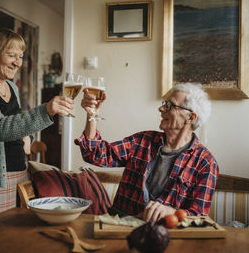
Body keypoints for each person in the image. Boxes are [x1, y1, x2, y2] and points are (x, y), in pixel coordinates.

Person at [0, 28, 74, 225]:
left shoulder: (11, 86)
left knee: (14, 242)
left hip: (20, 176)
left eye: (20, 56)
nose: (18, 62)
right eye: (11, 55)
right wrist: (46, 110)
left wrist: (27, 137)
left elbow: (15, 124)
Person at [75, 83, 218, 222]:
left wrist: (172, 212)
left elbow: (199, 216)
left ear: (190, 117)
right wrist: (92, 116)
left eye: (169, 105)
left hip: (165, 233)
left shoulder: (205, 162)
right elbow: (96, 154)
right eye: (164, 103)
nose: (161, 109)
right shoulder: (143, 141)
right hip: (119, 225)